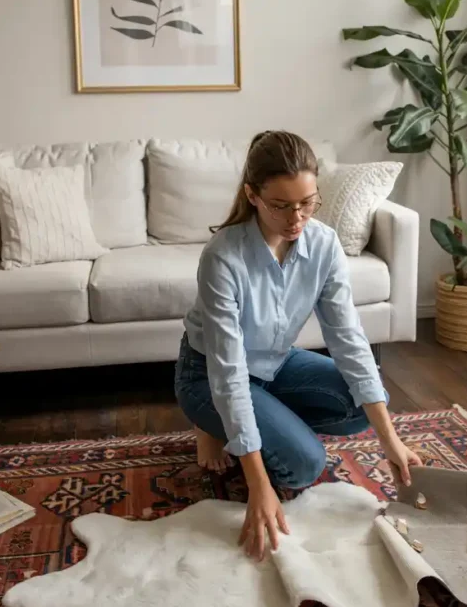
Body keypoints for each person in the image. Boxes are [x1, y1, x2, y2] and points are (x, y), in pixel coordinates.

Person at [175, 131, 422, 560]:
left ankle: (259, 422)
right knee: (303, 466)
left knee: (360, 405)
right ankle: (214, 424)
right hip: (208, 374)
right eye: (281, 205)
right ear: (252, 196)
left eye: (307, 203)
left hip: (275, 363)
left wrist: (391, 441)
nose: (296, 218)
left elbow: (348, 339)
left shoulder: (323, 244)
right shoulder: (223, 257)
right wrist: (259, 484)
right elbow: (228, 372)